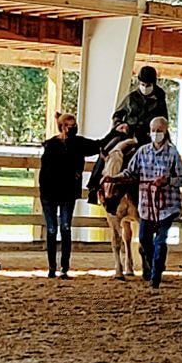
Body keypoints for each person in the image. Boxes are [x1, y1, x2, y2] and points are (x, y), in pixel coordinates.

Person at [105, 117, 182, 288]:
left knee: (160, 239)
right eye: (153, 130)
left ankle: (155, 276)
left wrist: (167, 181)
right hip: (146, 205)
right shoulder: (142, 152)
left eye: (159, 130)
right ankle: (155, 263)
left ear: (165, 131)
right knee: (143, 238)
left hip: (166, 204)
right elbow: (130, 172)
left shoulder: (173, 153)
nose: (155, 134)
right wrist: (114, 178)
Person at [39, 113, 122, 279]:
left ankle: (64, 267)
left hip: (67, 193)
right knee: (51, 229)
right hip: (50, 193)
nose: (74, 128)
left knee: (65, 227)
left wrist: (115, 132)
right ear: (63, 127)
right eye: (71, 125)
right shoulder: (51, 146)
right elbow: (45, 173)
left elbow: (99, 144)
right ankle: (51, 267)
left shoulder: (78, 143)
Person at [87, 65, 169, 204]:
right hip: (128, 133)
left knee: (167, 153)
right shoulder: (131, 97)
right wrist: (120, 124)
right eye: (142, 84)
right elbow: (117, 114)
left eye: (147, 84)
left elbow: (164, 120)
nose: (144, 87)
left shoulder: (160, 100)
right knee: (108, 149)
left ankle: (167, 190)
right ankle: (93, 185)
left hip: (148, 135)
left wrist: (156, 132)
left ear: (153, 84)